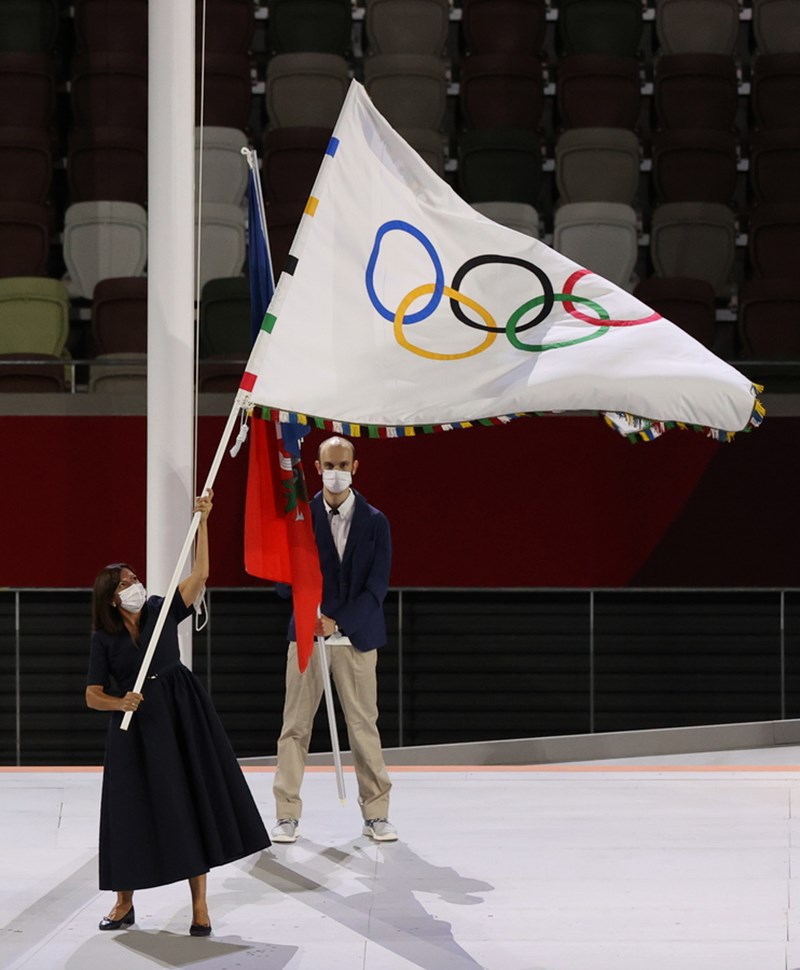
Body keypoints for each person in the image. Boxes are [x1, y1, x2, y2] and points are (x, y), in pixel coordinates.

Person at [85, 489, 270, 936]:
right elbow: (92, 695)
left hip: (178, 712)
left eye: (134, 578)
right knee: (127, 810)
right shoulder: (105, 638)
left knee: (188, 800)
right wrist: (120, 701)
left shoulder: (158, 610)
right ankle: (123, 903)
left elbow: (201, 574)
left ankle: (200, 908)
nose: (135, 585)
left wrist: (203, 520)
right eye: (125, 582)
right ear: (112, 598)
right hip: (133, 728)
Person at [272, 435, 397, 844]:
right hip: (307, 640)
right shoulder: (298, 518)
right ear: (317, 467)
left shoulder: (376, 522)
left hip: (357, 640)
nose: (336, 472)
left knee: (364, 728)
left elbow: (376, 588)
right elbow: (283, 585)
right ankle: (286, 814)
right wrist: (311, 614)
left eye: (343, 465)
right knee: (295, 727)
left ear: (355, 467)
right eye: (329, 465)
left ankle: (376, 814)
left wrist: (337, 621)